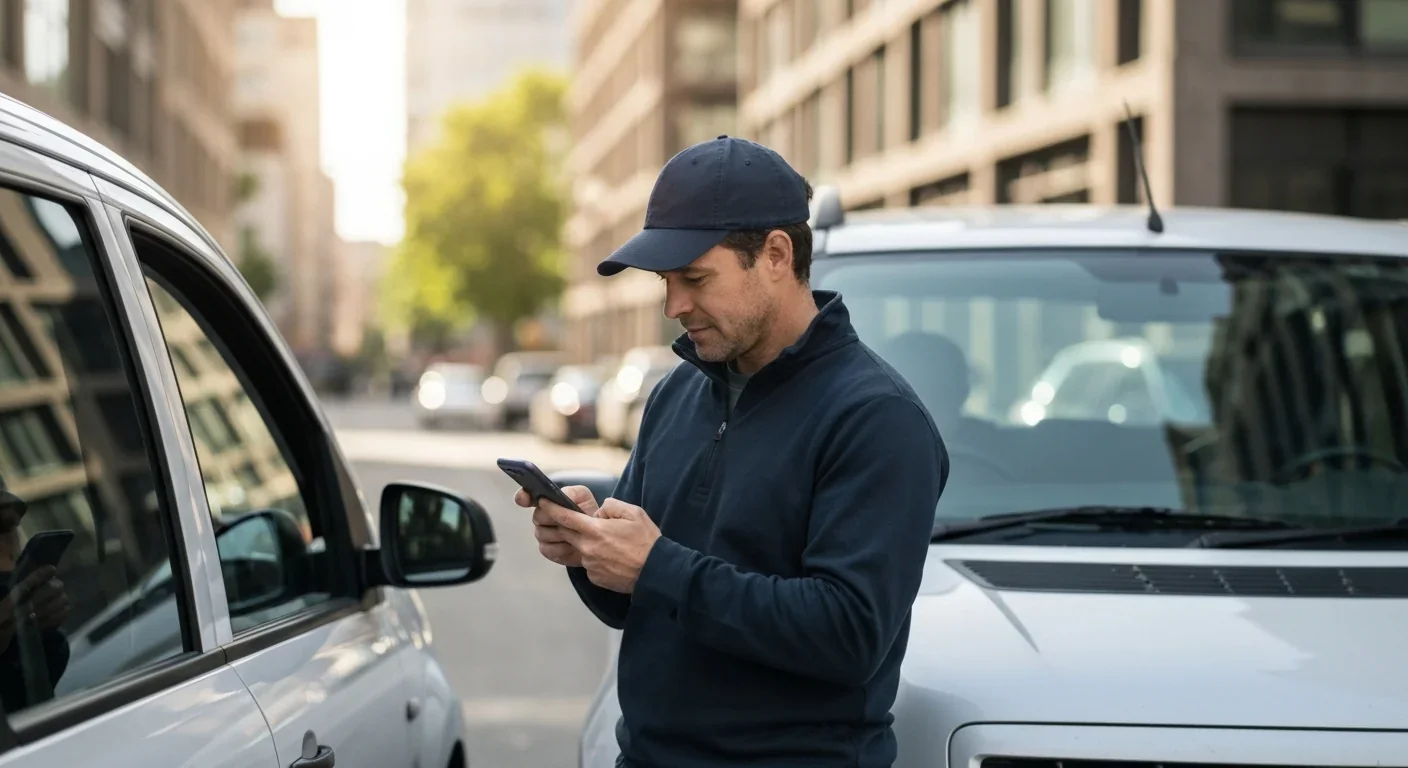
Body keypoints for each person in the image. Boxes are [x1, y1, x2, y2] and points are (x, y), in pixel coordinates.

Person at [515, 135, 948, 767]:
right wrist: (589, 549)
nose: (674, 306)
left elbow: (850, 635)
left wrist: (656, 565)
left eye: (694, 278)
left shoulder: (877, 418)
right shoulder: (676, 394)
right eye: (667, 281)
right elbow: (642, 600)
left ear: (776, 254)